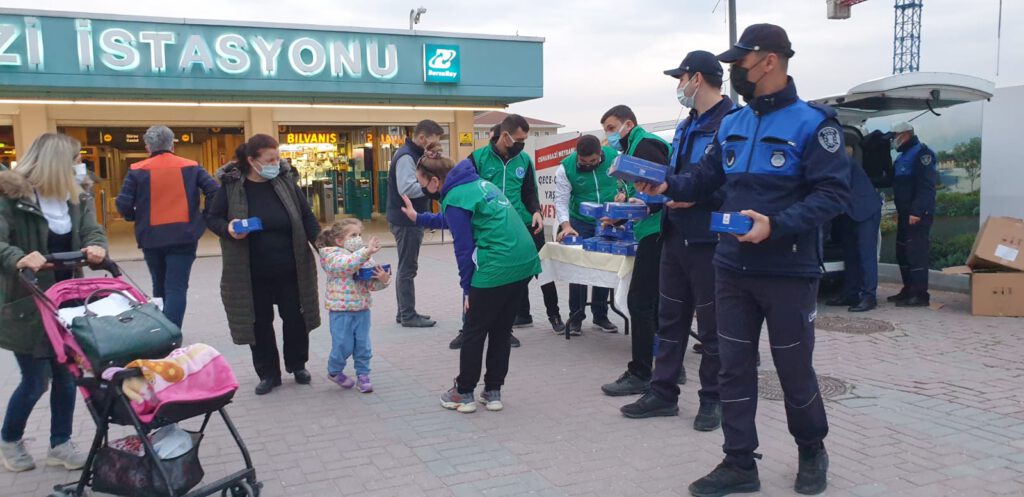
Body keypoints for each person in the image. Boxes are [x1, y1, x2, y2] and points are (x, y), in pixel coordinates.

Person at [637, 24, 851, 496]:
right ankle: (739, 463)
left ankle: (812, 450)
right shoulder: (732, 123)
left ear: (768, 60)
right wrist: (667, 186)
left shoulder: (814, 124)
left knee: (794, 369)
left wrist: (775, 224)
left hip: (788, 272)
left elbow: (834, 194)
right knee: (733, 365)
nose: (735, 71)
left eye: (741, 62)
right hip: (731, 267)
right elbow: (704, 178)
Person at [620, 51, 735, 433]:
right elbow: (677, 174)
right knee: (669, 320)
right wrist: (651, 189)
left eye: (680, 78)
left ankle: (713, 399)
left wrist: (700, 197)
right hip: (674, 232)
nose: (679, 86)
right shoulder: (687, 124)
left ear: (697, 78)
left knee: (712, 326)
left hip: (709, 238)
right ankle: (663, 392)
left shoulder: (731, 123)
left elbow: (733, 183)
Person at [400, 143, 541, 414]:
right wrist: (419, 218)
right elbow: (454, 220)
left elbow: (463, 251)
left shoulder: (454, 197)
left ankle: (463, 392)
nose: (419, 189)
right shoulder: (479, 185)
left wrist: (467, 290)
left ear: (434, 180)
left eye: (421, 183)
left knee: (474, 330)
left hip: (496, 266)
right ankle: (493, 391)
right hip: (524, 262)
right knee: (500, 330)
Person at [0, 133, 108, 472]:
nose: (80, 166)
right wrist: (18, 256)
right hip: (27, 302)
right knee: (35, 381)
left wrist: (95, 246)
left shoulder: (76, 197)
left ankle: (60, 443)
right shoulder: (10, 197)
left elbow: (92, 230)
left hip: (68, 302)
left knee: (66, 377)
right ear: (57, 163)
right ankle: (10, 439)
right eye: (75, 160)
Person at [206, 134, 321, 396]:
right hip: (250, 272)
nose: (276, 163)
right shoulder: (232, 185)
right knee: (258, 323)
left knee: (295, 318)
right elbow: (212, 218)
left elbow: (306, 216)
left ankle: (297, 364)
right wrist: (228, 228)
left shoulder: (284, 181)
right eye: (270, 159)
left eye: (277, 157)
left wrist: (323, 246)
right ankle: (268, 373)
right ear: (251, 160)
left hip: (290, 268)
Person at [449, 114, 560, 350]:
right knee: (477, 275)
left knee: (530, 273)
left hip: (522, 224)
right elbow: (463, 189)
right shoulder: (477, 159)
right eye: (519, 139)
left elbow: (529, 191)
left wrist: (537, 210)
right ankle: (467, 326)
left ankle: (526, 323)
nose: (522, 143)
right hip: (489, 228)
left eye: (525, 139)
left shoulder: (525, 160)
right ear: (505, 136)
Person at [597, 105, 670, 397]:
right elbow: (646, 190)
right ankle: (671, 367)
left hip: (658, 231)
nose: (609, 135)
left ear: (629, 124)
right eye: (606, 130)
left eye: (613, 128)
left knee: (641, 302)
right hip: (655, 229)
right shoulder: (634, 148)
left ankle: (641, 372)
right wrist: (625, 203)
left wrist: (635, 207)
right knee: (659, 303)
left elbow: (662, 187)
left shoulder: (646, 144)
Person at [116, 125, 219, 329]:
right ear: (172, 145)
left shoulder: (137, 170)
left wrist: (134, 217)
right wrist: (204, 217)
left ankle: (161, 330)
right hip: (184, 235)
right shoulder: (192, 166)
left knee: (159, 285)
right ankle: (172, 333)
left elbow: (123, 203)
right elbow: (215, 191)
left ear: (148, 147)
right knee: (176, 287)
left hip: (151, 236)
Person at [554, 135, 627, 335]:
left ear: (600, 154)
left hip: (609, 219)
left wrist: (624, 194)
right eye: (583, 162)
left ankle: (600, 315)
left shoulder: (615, 157)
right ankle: (576, 316)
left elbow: (627, 183)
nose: (588, 165)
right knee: (579, 269)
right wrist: (566, 226)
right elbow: (561, 201)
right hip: (580, 222)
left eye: (593, 161)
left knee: (602, 266)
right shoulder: (565, 168)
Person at [317, 219, 391, 393]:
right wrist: (366, 252)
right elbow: (345, 266)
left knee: (363, 345)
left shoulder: (363, 256)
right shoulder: (330, 255)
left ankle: (363, 375)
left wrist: (382, 280)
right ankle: (335, 371)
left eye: (359, 235)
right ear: (339, 240)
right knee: (343, 344)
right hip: (341, 311)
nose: (358, 238)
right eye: (353, 235)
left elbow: (370, 285)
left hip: (362, 309)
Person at [387, 119, 443, 328]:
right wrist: (431, 188)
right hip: (406, 220)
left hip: (408, 218)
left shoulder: (413, 154)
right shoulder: (406, 157)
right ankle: (408, 315)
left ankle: (404, 312)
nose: (433, 147)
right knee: (407, 268)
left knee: (406, 266)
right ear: (421, 138)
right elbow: (407, 188)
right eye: (431, 142)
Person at [825, 129, 885, 312]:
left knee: (866, 255)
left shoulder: (840, 162)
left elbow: (830, 189)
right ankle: (850, 293)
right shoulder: (832, 162)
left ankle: (869, 296)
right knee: (851, 254)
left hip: (865, 211)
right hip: (849, 213)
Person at [887, 121, 937, 307]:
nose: (893, 140)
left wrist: (916, 211)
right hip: (904, 213)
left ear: (905, 135)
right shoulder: (903, 156)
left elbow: (926, 187)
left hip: (917, 214)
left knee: (916, 253)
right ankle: (908, 289)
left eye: (894, 136)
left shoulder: (922, 154)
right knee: (903, 252)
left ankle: (920, 295)